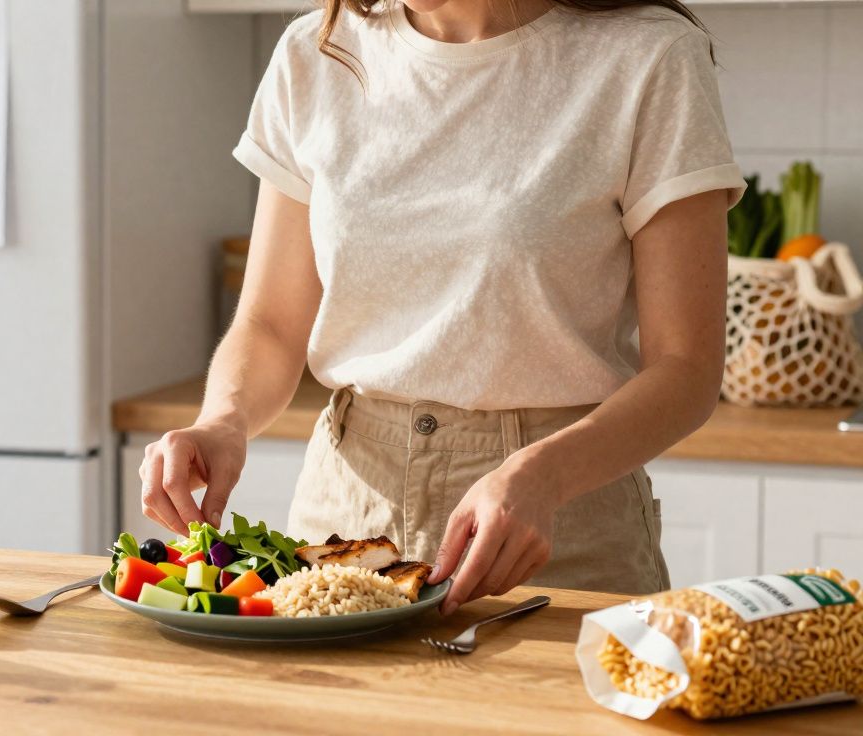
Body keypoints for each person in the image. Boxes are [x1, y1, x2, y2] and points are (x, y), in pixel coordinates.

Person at [139, 0, 745, 616]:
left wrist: (545, 474)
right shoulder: (316, 54)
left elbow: (687, 368)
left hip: (560, 516)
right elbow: (269, 324)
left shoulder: (647, 56)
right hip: (344, 518)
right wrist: (223, 421)